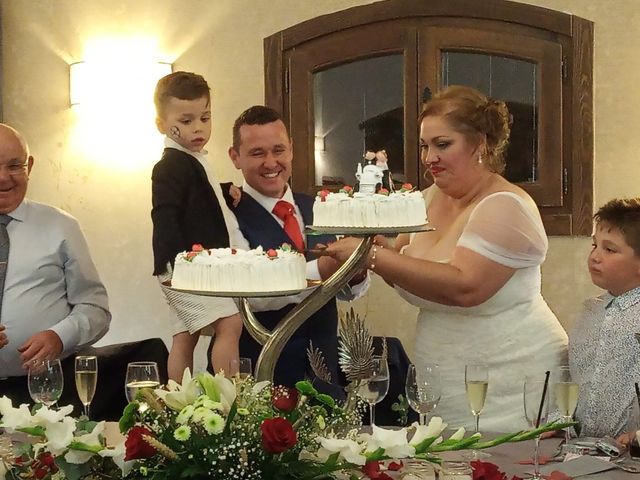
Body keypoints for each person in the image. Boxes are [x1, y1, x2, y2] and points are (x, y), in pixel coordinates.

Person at [324, 85, 567, 431]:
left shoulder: (505, 206)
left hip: (511, 382)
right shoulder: (424, 200)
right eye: (425, 146)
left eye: (442, 144)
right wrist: (374, 248)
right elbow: (411, 273)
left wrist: (374, 257)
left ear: (479, 144)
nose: (429, 158)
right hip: (443, 377)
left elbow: (464, 287)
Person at [221, 105, 367, 389]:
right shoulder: (225, 213)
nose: (271, 162)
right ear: (235, 157)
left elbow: (347, 292)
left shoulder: (319, 207)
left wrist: (355, 274)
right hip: (261, 377)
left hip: (324, 375)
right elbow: (249, 297)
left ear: (292, 149)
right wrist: (321, 269)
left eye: (278, 150)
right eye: (257, 153)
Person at [0, 124, 110, 406]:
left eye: (15, 166)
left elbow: (96, 309)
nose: (3, 178)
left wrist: (59, 337)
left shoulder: (61, 226)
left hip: (45, 395)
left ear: (30, 166)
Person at [151, 71, 245, 380]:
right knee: (230, 323)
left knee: (185, 335)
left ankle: (180, 401)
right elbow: (165, 214)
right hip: (185, 267)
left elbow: (197, 198)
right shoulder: (168, 165)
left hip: (190, 265)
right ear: (162, 125)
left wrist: (223, 190)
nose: (198, 128)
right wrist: (175, 265)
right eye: (187, 120)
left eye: (205, 118)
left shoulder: (191, 160)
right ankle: (226, 399)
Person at [569, 198, 640, 439]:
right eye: (594, 245)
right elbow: (573, 376)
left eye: (609, 249)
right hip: (583, 449)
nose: (595, 257)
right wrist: (560, 419)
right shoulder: (590, 312)